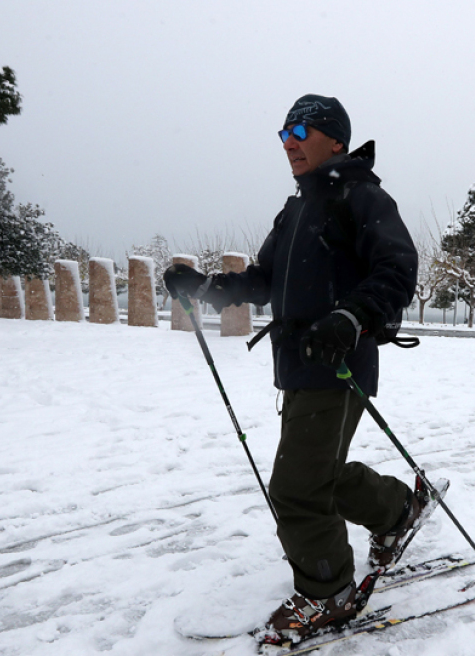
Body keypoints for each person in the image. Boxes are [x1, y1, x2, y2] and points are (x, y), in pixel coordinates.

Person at [163, 94, 422, 644]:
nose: (289, 143)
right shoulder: (296, 209)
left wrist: (352, 317)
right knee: (319, 473)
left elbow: (398, 269)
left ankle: (327, 591)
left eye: (301, 131)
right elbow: (262, 279)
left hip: (340, 363)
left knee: (297, 487)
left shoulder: (362, 196)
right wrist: (206, 286)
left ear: (335, 139)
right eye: (283, 134)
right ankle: (398, 510)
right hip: (299, 365)